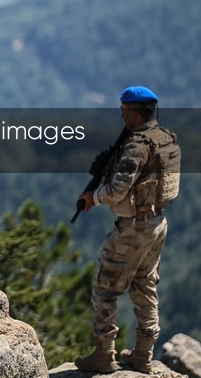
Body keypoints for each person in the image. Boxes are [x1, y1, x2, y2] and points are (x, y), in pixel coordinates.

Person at [75, 86, 181, 374]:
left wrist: (92, 198)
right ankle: (143, 356)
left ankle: (103, 356)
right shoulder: (166, 139)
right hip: (157, 223)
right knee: (145, 285)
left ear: (134, 113)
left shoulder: (136, 146)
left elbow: (119, 189)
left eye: (123, 111)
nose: (121, 116)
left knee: (105, 289)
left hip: (133, 228)